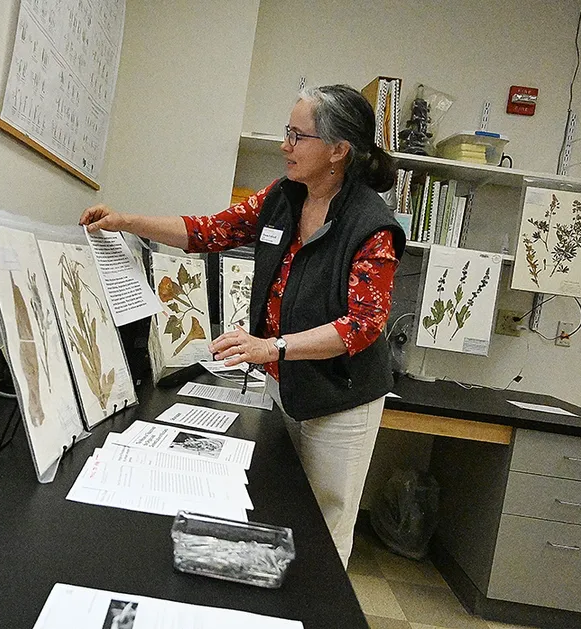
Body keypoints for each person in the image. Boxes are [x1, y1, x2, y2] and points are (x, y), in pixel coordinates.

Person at [80, 84, 406, 567]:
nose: (284, 145)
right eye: (286, 132)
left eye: (298, 135)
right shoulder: (284, 196)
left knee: (324, 526)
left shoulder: (372, 226)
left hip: (342, 399)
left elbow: (362, 326)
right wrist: (125, 220)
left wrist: (270, 347)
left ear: (338, 150)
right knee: (280, 507)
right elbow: (210, 231)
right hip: (286, 384)